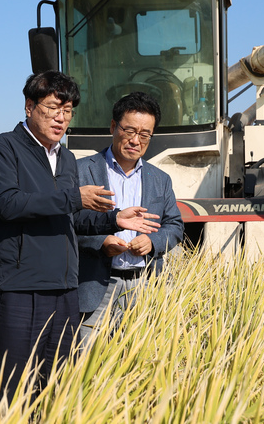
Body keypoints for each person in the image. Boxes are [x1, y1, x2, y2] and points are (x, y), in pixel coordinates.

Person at [0, 71, 161, 402]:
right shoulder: (3, 148)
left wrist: (112, 218)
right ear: (29, 106)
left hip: (65, 287)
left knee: (56, 385)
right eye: (53, 108)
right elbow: (9, 204)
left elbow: (72, 217)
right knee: (14, 386)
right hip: (21, 286)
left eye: (68, 112)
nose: (61, 118)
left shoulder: (65, 158)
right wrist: (75, 197)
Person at [78, 92, 183, 345]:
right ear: (114, 127)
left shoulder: (160, 179)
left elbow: (175, 226)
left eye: (145, 134)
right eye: (129, 130)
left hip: (145, 285)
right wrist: (101, 241)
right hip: (97, 283)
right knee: (85, 357)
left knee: (138, 359)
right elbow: (68, 221)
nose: (136, 140)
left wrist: (153, 242)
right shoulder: (81, 170)